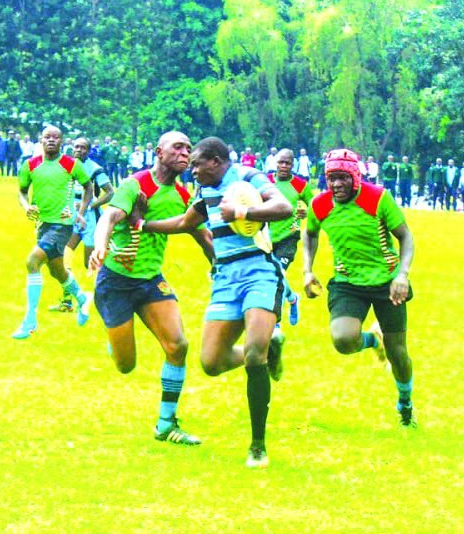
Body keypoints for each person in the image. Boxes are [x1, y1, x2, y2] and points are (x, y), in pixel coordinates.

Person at [133, 136, 293, 468]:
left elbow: (284, 208)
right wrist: (140, 224)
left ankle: (257, 446)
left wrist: (242, 211)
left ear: (216, 162)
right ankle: (269, 349)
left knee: (254, 353)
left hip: (259, 272)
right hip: (225, 279)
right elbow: (183, 223)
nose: (191, 171)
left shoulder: (248, 178)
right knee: (211, 362)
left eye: (196, 165)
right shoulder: (204, 191)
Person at [88, 131, 212, 446]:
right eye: (178, 147)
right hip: (115, 282)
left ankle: (166, 424)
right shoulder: (135, 185)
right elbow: (109, 217)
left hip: (150, 280)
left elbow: (202, 235)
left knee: (178, 346)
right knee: (125, 364)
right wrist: (100, 247)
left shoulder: (183, 197)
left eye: (188, 148)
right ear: (159, 152)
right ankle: (114, 339)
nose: (185, 153)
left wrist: (221, 265)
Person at [300, 148, 417, 429]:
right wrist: (307, 270)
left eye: (342, 178)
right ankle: (373, 341)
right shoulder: (320, 205)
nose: (336, 184)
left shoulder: (378, 198)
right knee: (343, 340)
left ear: (355, 177)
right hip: (347, 282)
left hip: (387, 283)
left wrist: (402, 274)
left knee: (398, 353)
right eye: (331, 178)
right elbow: (310, 234)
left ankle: (405, 402)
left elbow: (405, 236)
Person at [11, 125, 93, 339]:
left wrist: (81, 212)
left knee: (32, 262)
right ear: (41, 139)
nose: (51, 140)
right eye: (47, 137)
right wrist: (26, 206)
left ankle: (29, 321)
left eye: (56, 137)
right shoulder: (30, 165)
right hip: (43, 224)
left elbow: (88, 187)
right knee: (57, 271)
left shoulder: (71, 164)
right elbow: (21, 191)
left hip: (63, 224)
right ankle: (82, 298)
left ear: (62, 141)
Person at [49, 137, 115, 313]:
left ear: (88, 150)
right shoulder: (67, 166)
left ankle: (109, 299)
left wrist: (90, 206)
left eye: (83, 148)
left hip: (90, 219)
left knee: (90, 263)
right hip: (72, 216)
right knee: (65, 256)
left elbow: (110, 193)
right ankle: (67, 301)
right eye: (76, 147)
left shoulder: (95, 169)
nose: (79, 150)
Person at [267, 148, 314, 327]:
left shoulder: (301, 185)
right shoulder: (267, 181)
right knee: (271, 276)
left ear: (293, 165)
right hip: (267, 236)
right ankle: (293, 299)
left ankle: (275, 322)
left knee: (277, 274)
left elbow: (315, 207)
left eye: (287, 163)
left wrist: (305, 212)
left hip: (289, 236)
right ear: (275, 163)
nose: (284, 166)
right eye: (281, 162)